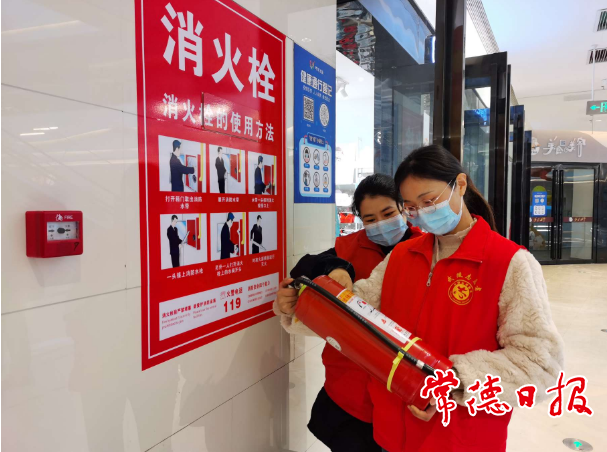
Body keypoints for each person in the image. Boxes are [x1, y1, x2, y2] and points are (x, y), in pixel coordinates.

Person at [307, 145, 564, 452]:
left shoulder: (510, 263)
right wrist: (304, 304)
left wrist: (450, 381)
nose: (421, 213)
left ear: (460, 185)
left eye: (429, 201)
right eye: (411, 207)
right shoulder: (401, 255)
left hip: (461, 437)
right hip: (391, 432)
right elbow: (358, 310)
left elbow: (539, 363)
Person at [274, 174, 423, 452]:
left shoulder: (426, 246)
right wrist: (335, 268)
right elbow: (305, 266)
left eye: (388, 213)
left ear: (403, 207)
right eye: (370, 219)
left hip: (405, 385)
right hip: (350, 388)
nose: (380, 224)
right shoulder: (348, 247)